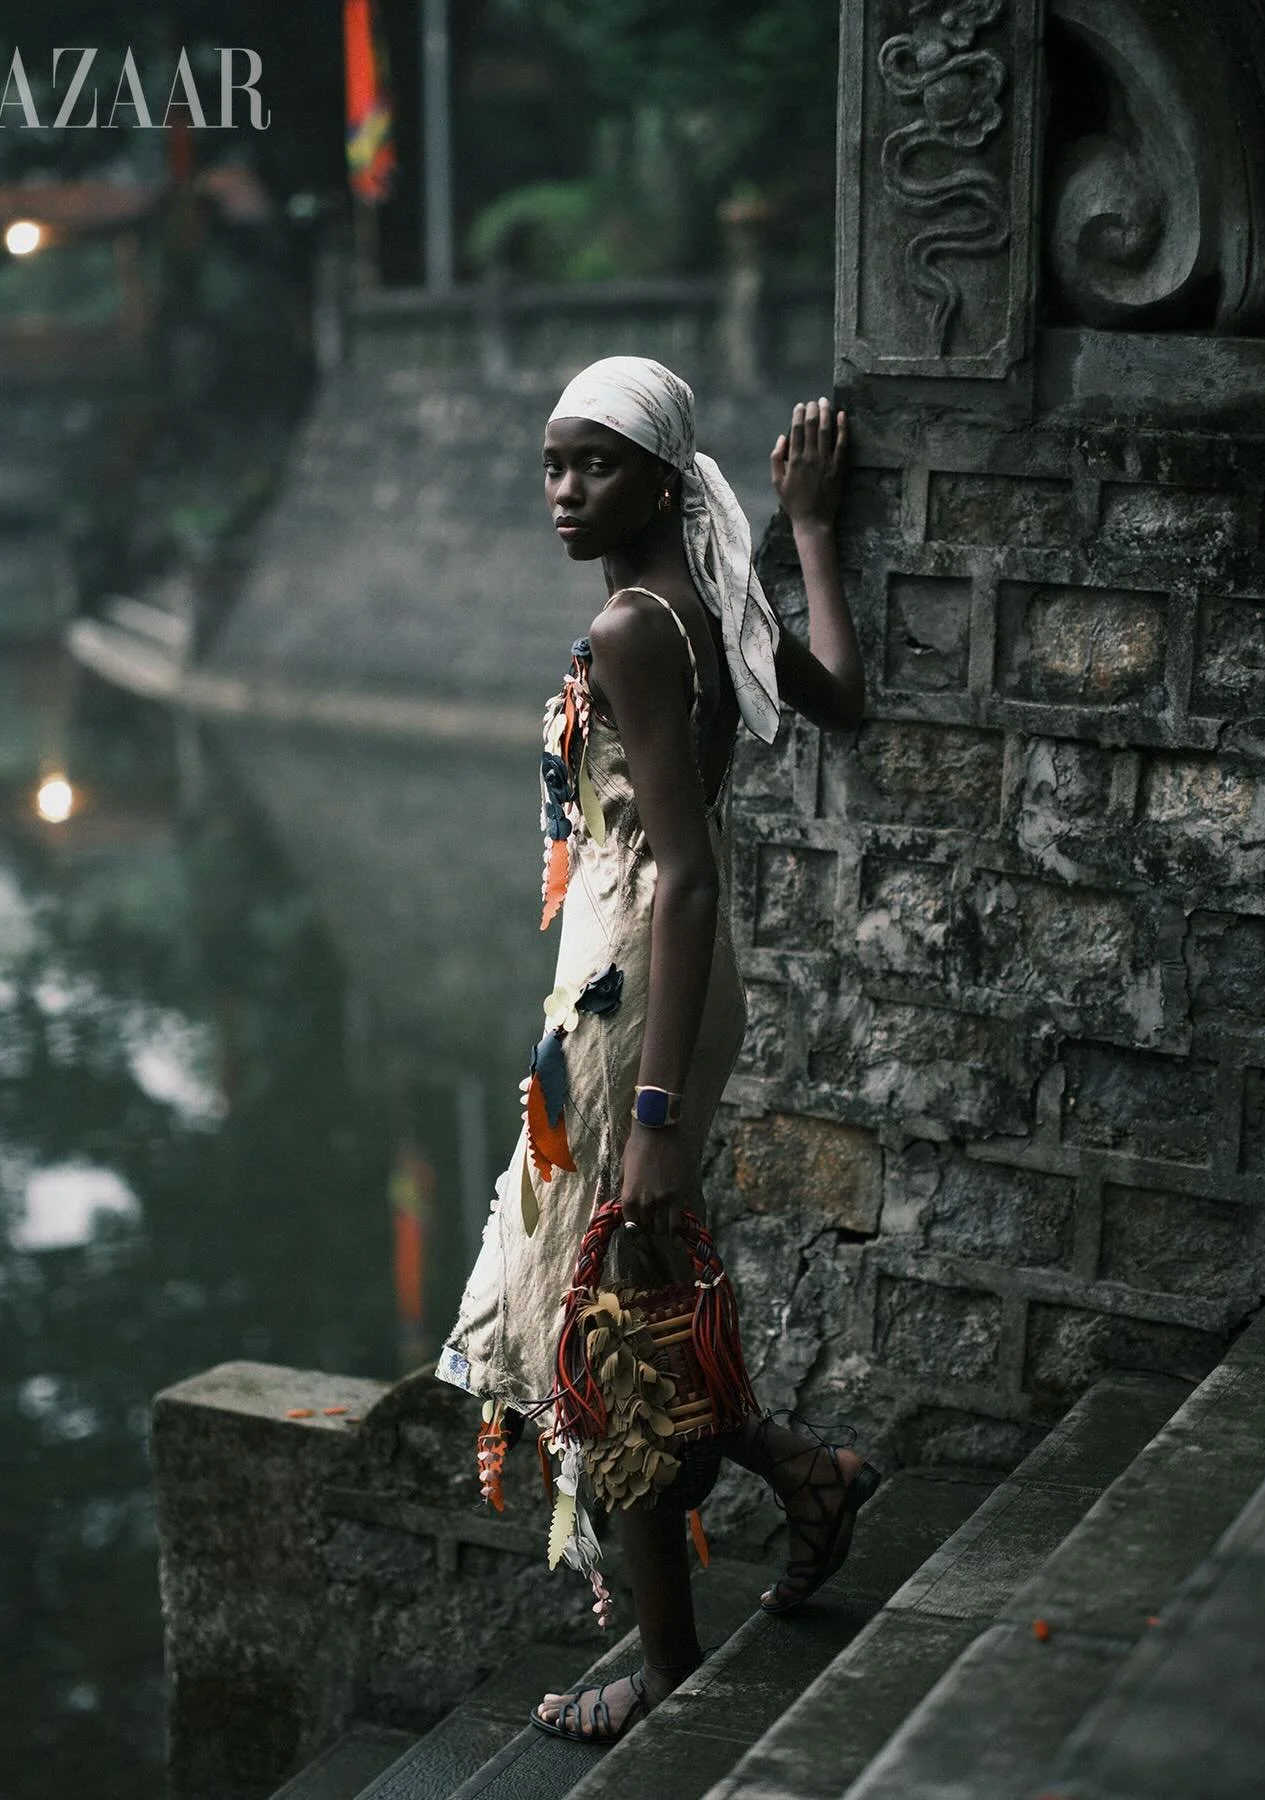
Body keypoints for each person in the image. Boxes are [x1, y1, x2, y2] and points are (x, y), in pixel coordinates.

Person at [436, 356, 877, 1744]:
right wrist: (810, 531)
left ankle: (675, 1668)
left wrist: (657, 1112)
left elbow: (681, 877)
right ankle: (801, 1474)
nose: (567, 490)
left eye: (598, 465)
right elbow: (842, 695)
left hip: (639, 997)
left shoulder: (639, 622)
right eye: (555, 465)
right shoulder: (710, 596)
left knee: (595, 1322)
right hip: (645, 983)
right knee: (616, 1292)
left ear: (667, 479)